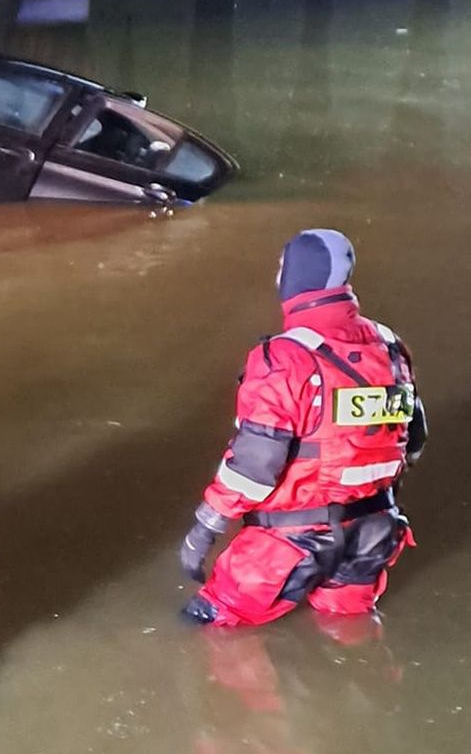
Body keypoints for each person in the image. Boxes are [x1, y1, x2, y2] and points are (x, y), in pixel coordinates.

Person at [179, 229, 426, 628]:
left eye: (282, 267)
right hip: (375, 531)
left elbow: (255, 466)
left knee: (209, 627)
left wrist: (206, 525)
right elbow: (413, 440)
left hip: (288, 542)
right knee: (349, 627)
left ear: (297, 274)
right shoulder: (390, 345)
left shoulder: (283, 357)